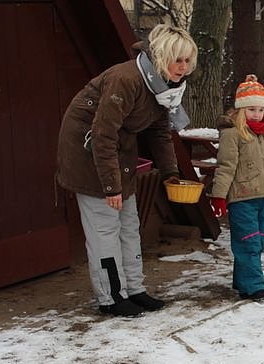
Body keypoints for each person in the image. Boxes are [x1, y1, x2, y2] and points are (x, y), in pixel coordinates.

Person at [56, 24, 198, 317]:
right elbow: (102, 135)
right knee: (105, 229)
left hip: (118, 152)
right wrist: (111, 187)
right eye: (178, 60)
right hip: (89, 153)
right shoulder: (127, 80)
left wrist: (170, 171)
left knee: (130, 224)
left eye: (187, 61)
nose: (183, 68)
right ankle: (111, 297)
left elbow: (160, 130)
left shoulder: (164, 87)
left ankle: (134, 289)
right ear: (161, 56)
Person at [209, 75, 264, 301]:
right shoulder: (233, 134)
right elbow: (225, 167)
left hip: (262, 197)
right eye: (251, 109)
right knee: (249, 242)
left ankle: (244, 279)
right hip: (242, 199)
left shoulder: (263, 134)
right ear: (241, 110)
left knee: (258, 241)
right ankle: (252, 286)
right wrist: (219, 197)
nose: (257, 114)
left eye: (261, 110)